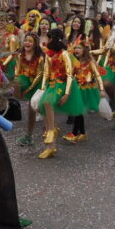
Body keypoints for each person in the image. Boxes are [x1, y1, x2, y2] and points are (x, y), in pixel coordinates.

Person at [37, 29, 85, 159]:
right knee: (45, 108)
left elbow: (70, 74)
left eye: (49, 38)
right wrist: (42, 88)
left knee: (47, 103)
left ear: (55, 38)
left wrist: (67, 94)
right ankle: (50, 147)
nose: (47, 40)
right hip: (52, 83)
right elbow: (46, 73)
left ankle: (52, 130)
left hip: (63, 84)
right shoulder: (48, 55)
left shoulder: (64, 54)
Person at [63, 39, 106, 142]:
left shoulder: (90, 62)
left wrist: (102, 89)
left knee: (78, 111)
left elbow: (97, 75)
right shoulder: (76, 62)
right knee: (79, 111)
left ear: (85, 50)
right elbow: (71, 75)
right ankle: (82, 133)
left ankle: (74, 133)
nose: (76, 50)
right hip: (77, 89)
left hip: (87, 90)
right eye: (76, 48)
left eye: (79, 48)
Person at [14, 33, 45, 147]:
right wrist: (19, 88)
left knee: (33, 108)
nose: (27, 43)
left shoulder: (40, 58)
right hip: (24, 80)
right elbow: (17, 72)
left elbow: (38, 76)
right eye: (25, 40)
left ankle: (46, 128)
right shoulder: (20, 55)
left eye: (30, 41)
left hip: (36, 84)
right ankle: (29, 136)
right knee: (16, 82)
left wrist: (28, 90)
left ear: (35, 44)